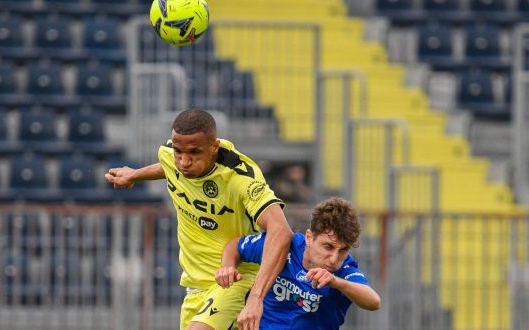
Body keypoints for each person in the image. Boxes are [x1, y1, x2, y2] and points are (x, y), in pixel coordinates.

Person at [105, 108, 293, 330]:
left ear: (214, 148)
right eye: (179, 152)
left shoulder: (241, 177)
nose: (184, 162)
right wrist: (135, 174)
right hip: (194, 288)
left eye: (194, 153)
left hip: (236, 281)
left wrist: (256, 298)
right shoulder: (169, 156)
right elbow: (169, 167)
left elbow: (281, 231)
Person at [215, 197, 381, 329]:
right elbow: (234, 246)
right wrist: (227, 266)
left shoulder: (344, 270)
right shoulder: (284, 245)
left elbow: (373, 302)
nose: (334, 258)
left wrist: (335, 282)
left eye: (343, 250)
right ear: (309, 237)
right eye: (328, 247)